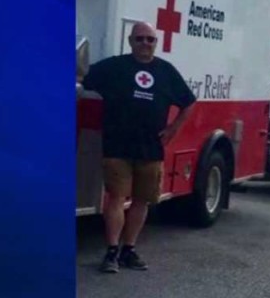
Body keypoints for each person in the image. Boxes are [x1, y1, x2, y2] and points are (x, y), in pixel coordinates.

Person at [78, 22, 197, 273]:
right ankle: (112, 251)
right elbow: (81, 75)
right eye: (140, 38)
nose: (145, 43)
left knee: (142, 201)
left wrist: (173, 129)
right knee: (116, 198)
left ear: (156, 43)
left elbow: (188, 102)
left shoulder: (166, 71)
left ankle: (128, 250)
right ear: (130, 41)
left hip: (151, 149)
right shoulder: (113, 67)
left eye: (150, 39)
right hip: (117, 147)